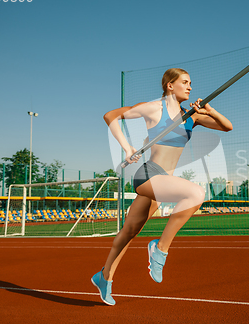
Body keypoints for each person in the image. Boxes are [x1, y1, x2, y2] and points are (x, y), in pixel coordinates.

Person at [91, 68, 232, 306]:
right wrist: (127, 148)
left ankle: (104, 277)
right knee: (196, 193)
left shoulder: (191, 116)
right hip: (149, 175)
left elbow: (226, 126)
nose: (189, 87)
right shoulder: (153, 108)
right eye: (185, 82)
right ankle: (160, 249)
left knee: (128, 232)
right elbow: (110, 115)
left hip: (163, 183)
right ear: (170, 85)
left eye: (190, 83)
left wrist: (209, 110)